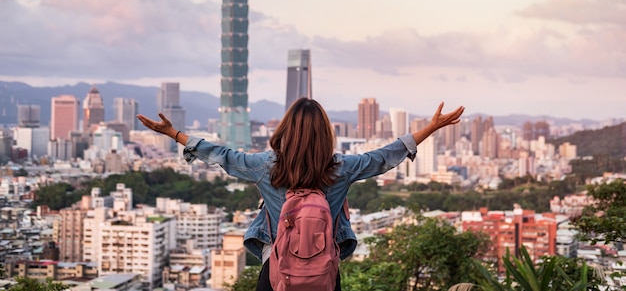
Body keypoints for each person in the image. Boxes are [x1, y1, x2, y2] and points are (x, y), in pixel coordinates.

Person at [137, 98, 464, 291]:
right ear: (325, 133)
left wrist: (175, 134)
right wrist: (429, 129)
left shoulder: (265, 167)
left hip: (276, 272)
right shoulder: (341, 168)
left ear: (284, 130)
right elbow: (383, 157)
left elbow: (223, 155)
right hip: (324, 273)